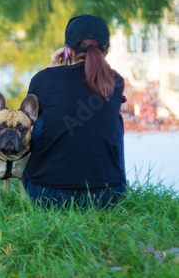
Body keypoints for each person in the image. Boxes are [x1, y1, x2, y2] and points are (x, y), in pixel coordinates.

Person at [22, 14, 126, 209]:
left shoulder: (42, 79)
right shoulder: (116, 81)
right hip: (108, 196)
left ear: (66, 49)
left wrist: (52, 71)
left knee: (37, 118)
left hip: (45, 193)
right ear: (106, 51)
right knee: (114, 118)